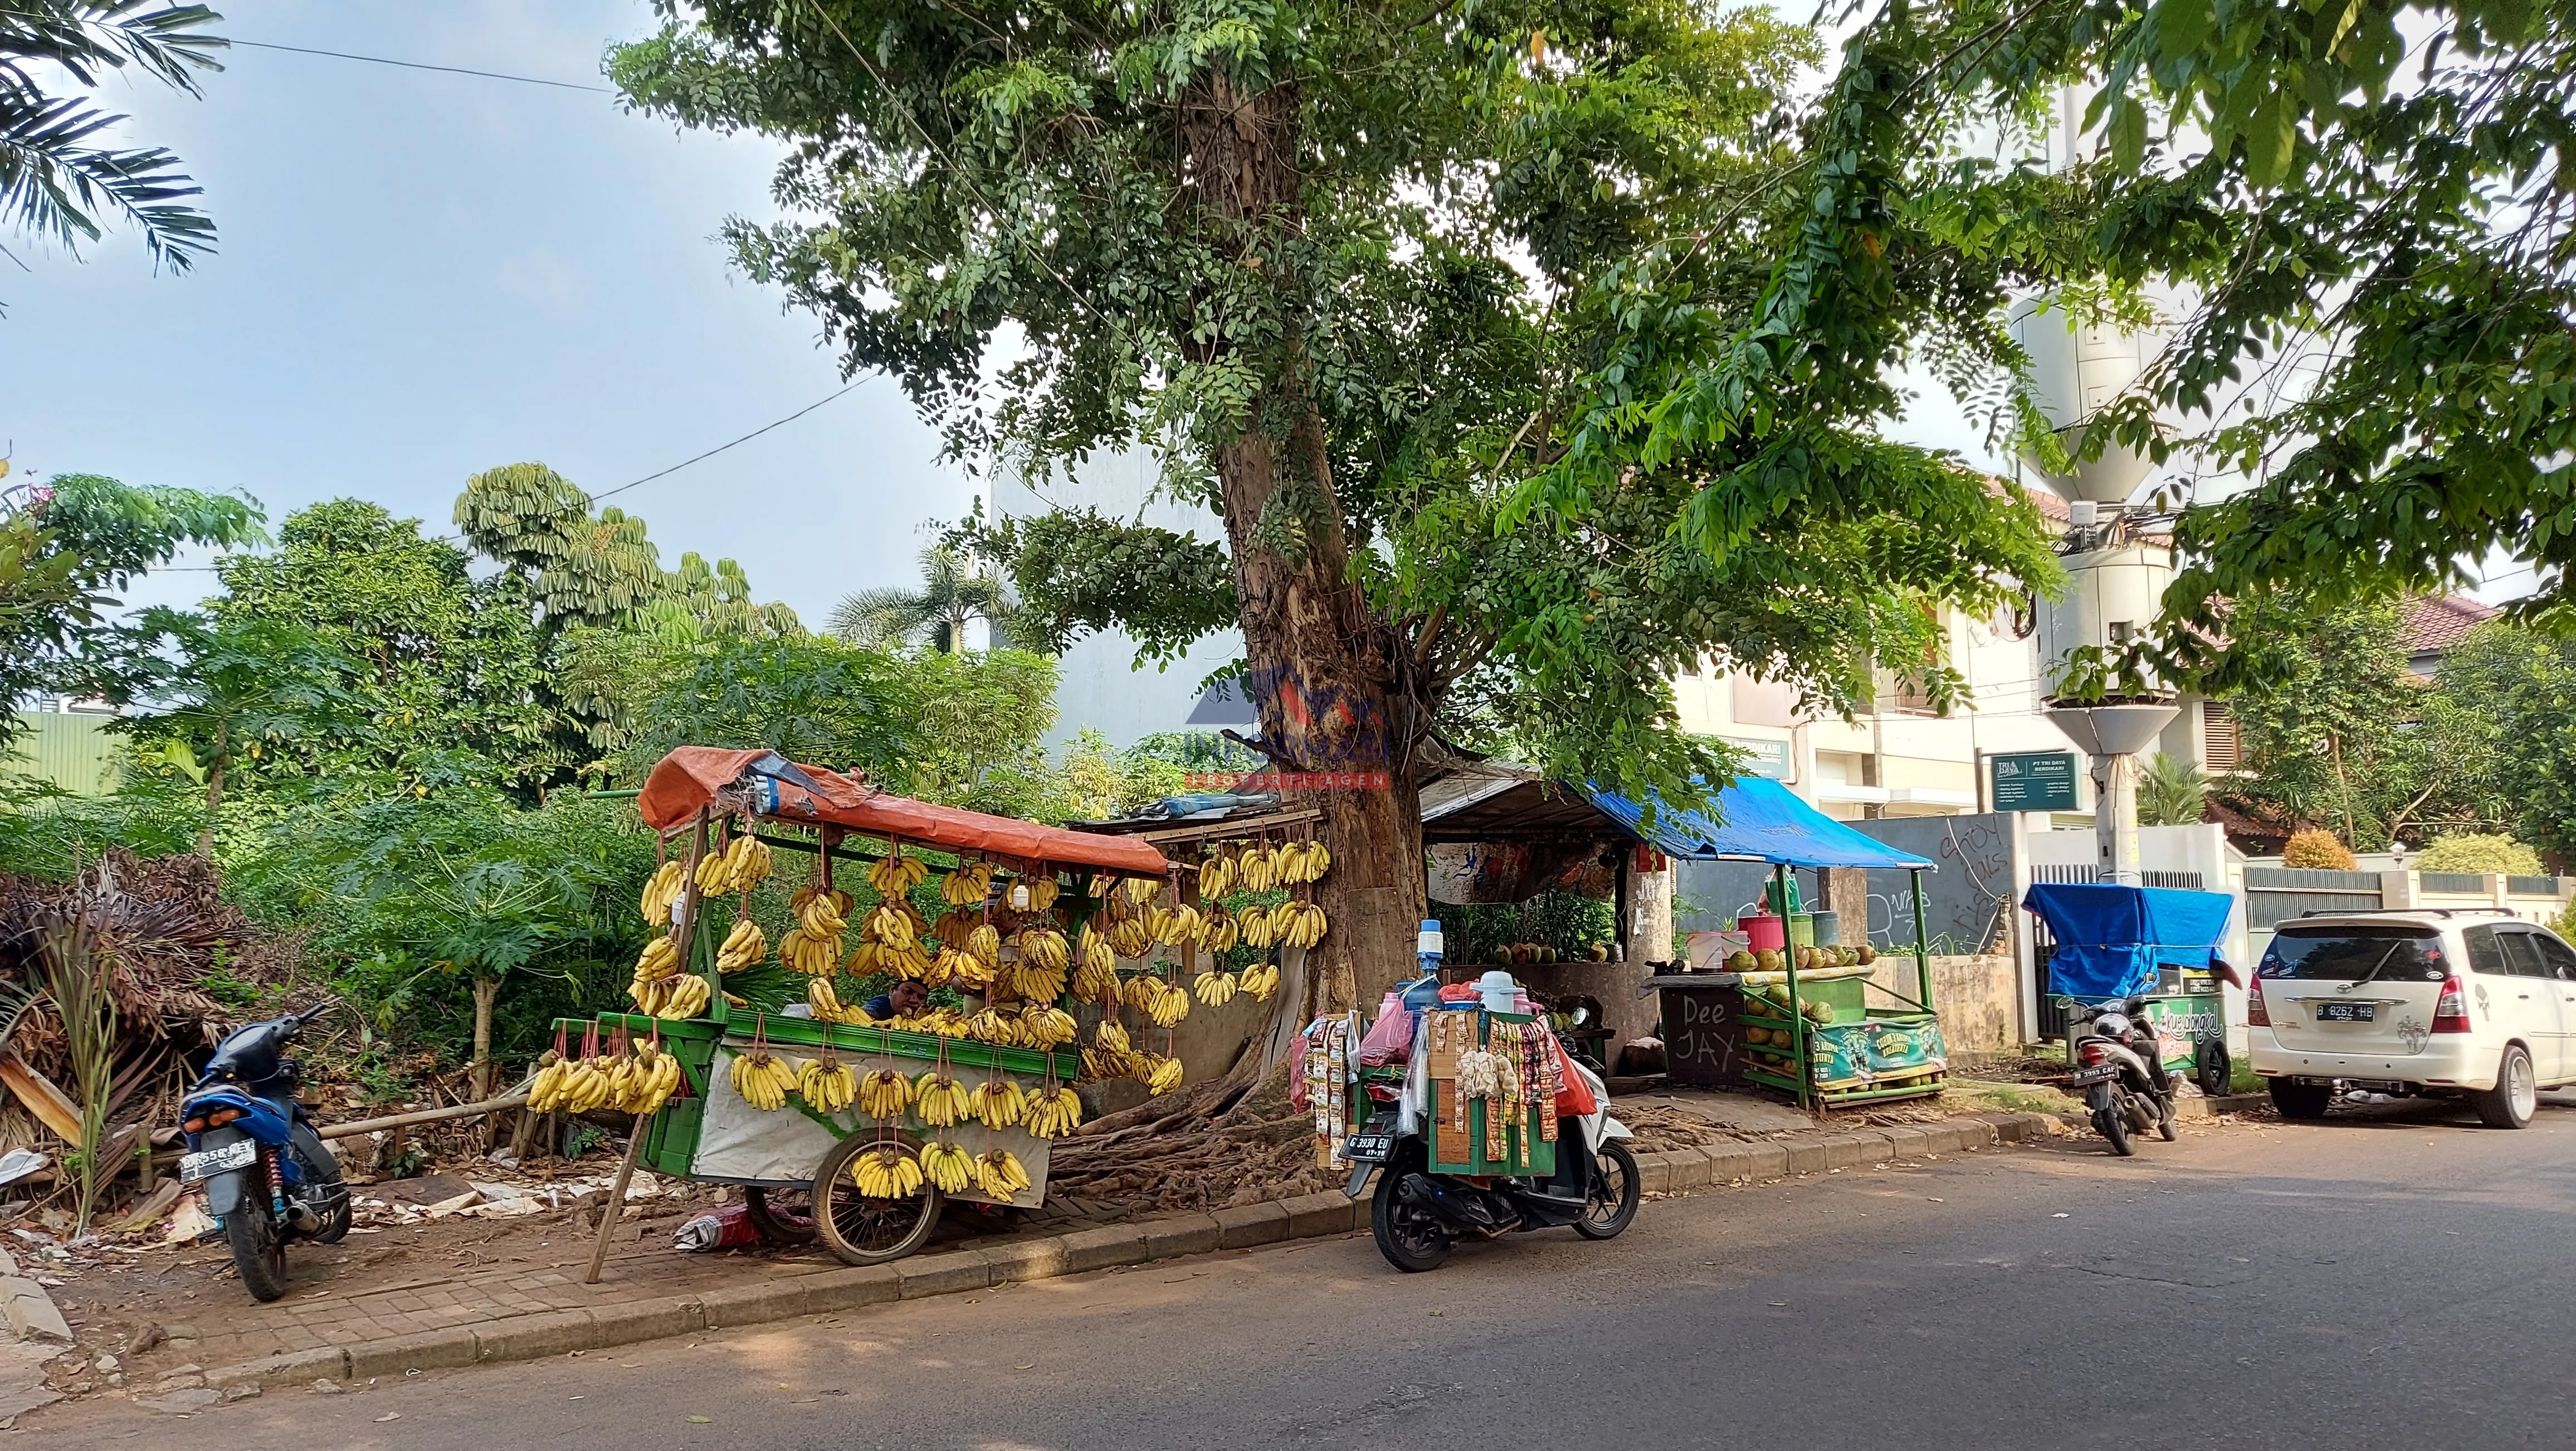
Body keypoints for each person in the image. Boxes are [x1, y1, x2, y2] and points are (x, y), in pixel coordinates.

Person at [860, 979, 929, 1021]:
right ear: (892, 991)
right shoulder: (874, 1010)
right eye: (908, 992)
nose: (913, 1000)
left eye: (921, 997)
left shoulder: (924, 1018)